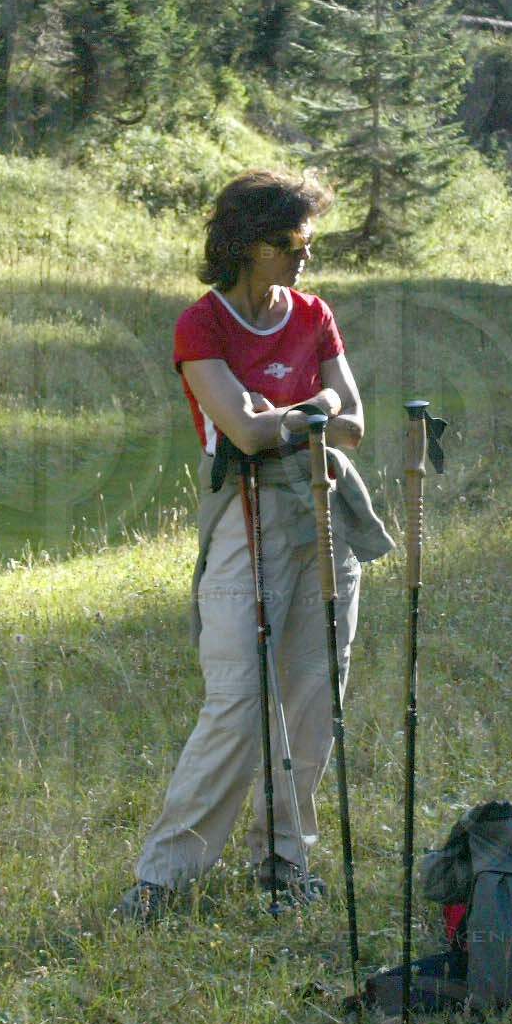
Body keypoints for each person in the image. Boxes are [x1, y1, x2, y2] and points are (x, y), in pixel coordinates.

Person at [117, 171, 393, 921]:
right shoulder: (200, 327)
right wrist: (314, 408)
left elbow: (353, 423)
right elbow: (240, 431)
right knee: (237, 704)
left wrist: (288, 413)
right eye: (288, 242)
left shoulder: (314, 314)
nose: (304, 255)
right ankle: (163, 877)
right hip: (242, 520)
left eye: (310, 241)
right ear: (244, 245)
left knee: (310, 701)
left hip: (324, 511)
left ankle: (285, 862)